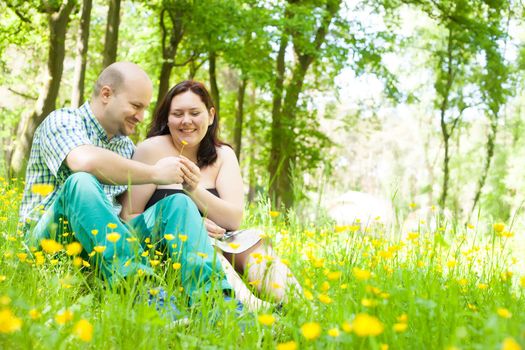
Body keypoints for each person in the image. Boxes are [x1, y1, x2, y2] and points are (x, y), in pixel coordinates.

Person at [19, 63, 234, 317]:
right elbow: (84, 161)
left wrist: (192, 222)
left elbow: (134, 211)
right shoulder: (63, 121)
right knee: (82, 181)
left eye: (144, 107)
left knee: (178, 203)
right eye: (136, 106)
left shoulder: (125, 148)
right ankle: (145, 293)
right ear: (107, 94)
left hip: (104, 247)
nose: (142, 116)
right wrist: (155, 172)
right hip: (51, 244)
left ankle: (216, 304)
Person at [120, 80, 301, 308]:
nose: (186, 121)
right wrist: (188, 223)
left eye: (195, 113)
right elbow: (128, 217)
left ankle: (297, 304)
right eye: (177, 114)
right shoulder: (150, 149)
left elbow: (233, 220)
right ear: (167, 118)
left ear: (211, 115)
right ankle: (251, 307)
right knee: (203, 242)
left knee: (252, 246)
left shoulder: (223, 155)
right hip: (169, 244)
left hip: (221, 238)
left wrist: (194, 189)